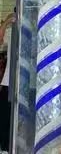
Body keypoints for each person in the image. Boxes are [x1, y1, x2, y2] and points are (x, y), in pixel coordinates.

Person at [0, 11, 15, 153]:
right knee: (5, 118)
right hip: (8, 83)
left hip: (26, 85)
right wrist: (6, 22)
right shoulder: (12, 31)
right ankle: (5, 148)